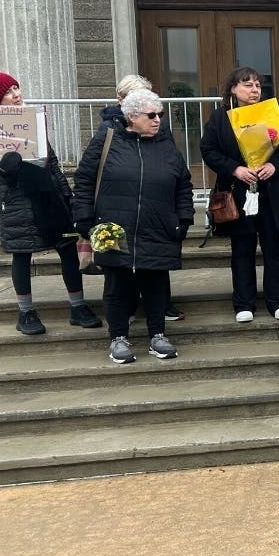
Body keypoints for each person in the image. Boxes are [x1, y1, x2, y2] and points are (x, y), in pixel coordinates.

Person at [0, 71, 101, 335]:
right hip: (18, 202)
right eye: (8, 91)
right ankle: (26, 313)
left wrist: (68, 197)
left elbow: (52, 163)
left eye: (16, 87)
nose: (17, 94)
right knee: (21, 254)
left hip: (51, 198)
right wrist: (7, 167)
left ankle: (78, 307)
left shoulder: (32, 119)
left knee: (67, 248)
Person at [73, 89, 193, 365]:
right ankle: (118, 338)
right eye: (151, 115)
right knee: (117, 284)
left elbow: (183, 183)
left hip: (158, 227)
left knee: (156, 283)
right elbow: (84, 180)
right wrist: (84, 219)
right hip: (114, 226)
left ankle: (157, 335)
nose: (157, 120)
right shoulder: (107, 139)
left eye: (160, 115)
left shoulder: (165, 143)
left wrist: (183, 219)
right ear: (131, 116)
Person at [200, 66, 279, 323]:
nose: (254, 89)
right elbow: (208, 150)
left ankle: (277, 300)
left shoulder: (271, 114)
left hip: (271, 190)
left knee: (274, 248)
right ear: (233, 88)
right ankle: (243, 302)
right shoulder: (220, 118)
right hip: (238, 191)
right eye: (247, 84)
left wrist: (273, 165)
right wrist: (235, 169)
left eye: (257, 85)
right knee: (242, 248)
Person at [100, 73, 184, 323]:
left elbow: (178, 172)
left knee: (156, 264)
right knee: (118, 269)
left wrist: (182, 218)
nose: (155, 118)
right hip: (120, 208)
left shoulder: (160, 129)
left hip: (154, 210)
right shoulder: (108, 131)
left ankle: (160, 308)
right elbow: (89, 176)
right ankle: (124, 312)